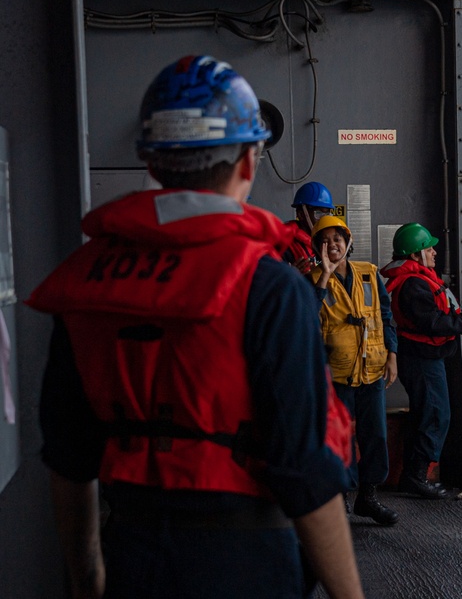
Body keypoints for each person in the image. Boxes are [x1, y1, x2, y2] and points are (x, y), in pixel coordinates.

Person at [28, 55, 364, 599]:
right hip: (246, 563)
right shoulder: (271, 286)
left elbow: (68, 458)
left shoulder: (87, 283)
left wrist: (89, 577)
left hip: (130, 554)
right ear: (249, 163)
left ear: (153, 162)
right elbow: (304, 469)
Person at [380, 224, 462, 499]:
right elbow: (432, 321)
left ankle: (411, 476)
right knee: (436, 415)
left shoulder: (416, 280)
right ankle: (415, 478)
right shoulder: (414, 284)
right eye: (429, 248)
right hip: (421, 360)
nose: (435, 252)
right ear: (415, 255)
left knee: (427, 413)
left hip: (424, 358)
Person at [311, 214, 400, 526]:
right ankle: (343, 498)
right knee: (341, 437)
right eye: (325, 240)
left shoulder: (369, 272)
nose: (332, 245)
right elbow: (308, 315)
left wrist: (392, 354)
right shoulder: (313, 278)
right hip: (336, 373)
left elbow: (386, 315)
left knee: (375, 433)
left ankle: (369, 496)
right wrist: (324, 274)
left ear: (348, 242)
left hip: (372, 366)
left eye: (337, 238)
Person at [284, 181, 337, 274]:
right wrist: (289, 275)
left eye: (327, 214)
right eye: (319, 214)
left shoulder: (330, 242)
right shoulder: (284, 244)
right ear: (301, 214)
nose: (324, 219)